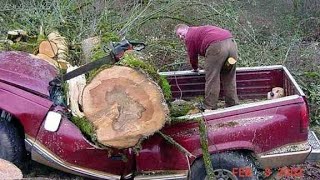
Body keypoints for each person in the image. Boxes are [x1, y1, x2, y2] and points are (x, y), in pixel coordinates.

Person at [174, 24, 239, 110]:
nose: (180, 36)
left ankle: (210, 106)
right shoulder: (200, 31)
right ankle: (232, 103)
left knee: (212, 76)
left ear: (186, 29)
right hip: (232, 46)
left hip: (217, 48)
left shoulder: (189, 36)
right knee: (229, 75)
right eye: (178, 36)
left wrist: (195, 68)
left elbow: (192, 55)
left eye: (181, 33)